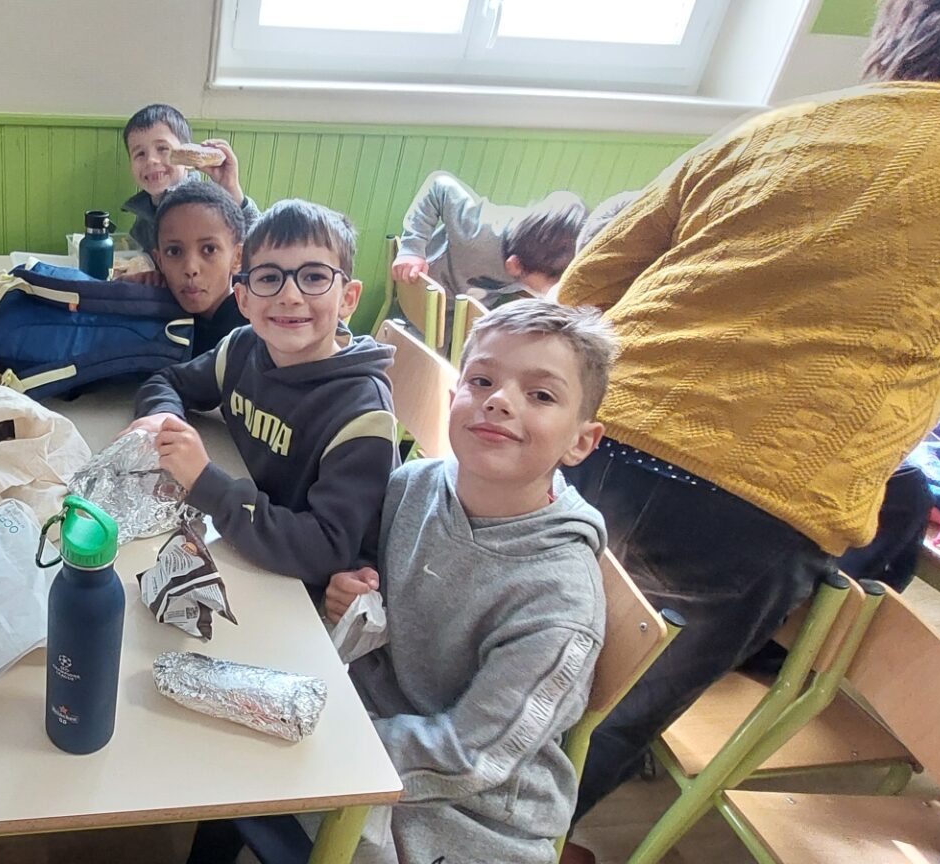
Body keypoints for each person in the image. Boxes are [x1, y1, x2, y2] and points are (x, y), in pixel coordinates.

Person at [553, 0, 940, 842]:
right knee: (611, 723)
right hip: (753, 502)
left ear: (899, 30)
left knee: (527, 659)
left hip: (591, 436)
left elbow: (584, 289)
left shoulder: (784, 124)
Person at [321, 300, 615, 864]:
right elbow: (373, 576)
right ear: (455, 396)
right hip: (372, 732)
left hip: (471, 816)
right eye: (482, 381)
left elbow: (469, 757)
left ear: (581, 441)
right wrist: (354, 588)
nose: (499, 400)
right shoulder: (413, 483)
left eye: (541, 395)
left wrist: (326, 742)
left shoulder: (560, 601)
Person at [129, 199, 397, 588]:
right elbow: (167, 381)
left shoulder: (363, 415)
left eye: (314, 277)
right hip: (244, 547)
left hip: (307, 593)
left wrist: (206, 482)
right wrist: (163, 420)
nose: (290, 295)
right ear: (244, 299)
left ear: (348, 298)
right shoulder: (241, 348)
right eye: (269, 278)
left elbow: (326, 548)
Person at [389, 171, 586, 305]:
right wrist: (412, 248)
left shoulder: (542, 259)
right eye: (552, 285)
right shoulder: (478, 230)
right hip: (423, 296)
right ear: (514, 265)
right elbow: (439, 184)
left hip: (463, 309)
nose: (554, 289)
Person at [119, 104, 258, 257]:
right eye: (140, 154)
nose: (151, 160)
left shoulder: (206, 203)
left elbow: (258, 242)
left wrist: (232, 189)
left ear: (187, 157)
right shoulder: (144, 214)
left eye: (163, 149)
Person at [148, 179, 251, 356]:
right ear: (159, 261)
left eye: (209, 249)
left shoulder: (254, 335)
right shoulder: (156, 318)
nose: (190, 268)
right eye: (174, 251)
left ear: (237, 258)